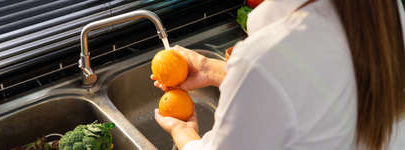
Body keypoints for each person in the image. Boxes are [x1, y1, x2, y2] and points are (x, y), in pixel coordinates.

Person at [151, 0, 405, 150]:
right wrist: (211, 70)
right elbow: (313, 90)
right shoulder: (383, 13)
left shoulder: (265, 58)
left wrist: (182, 133)